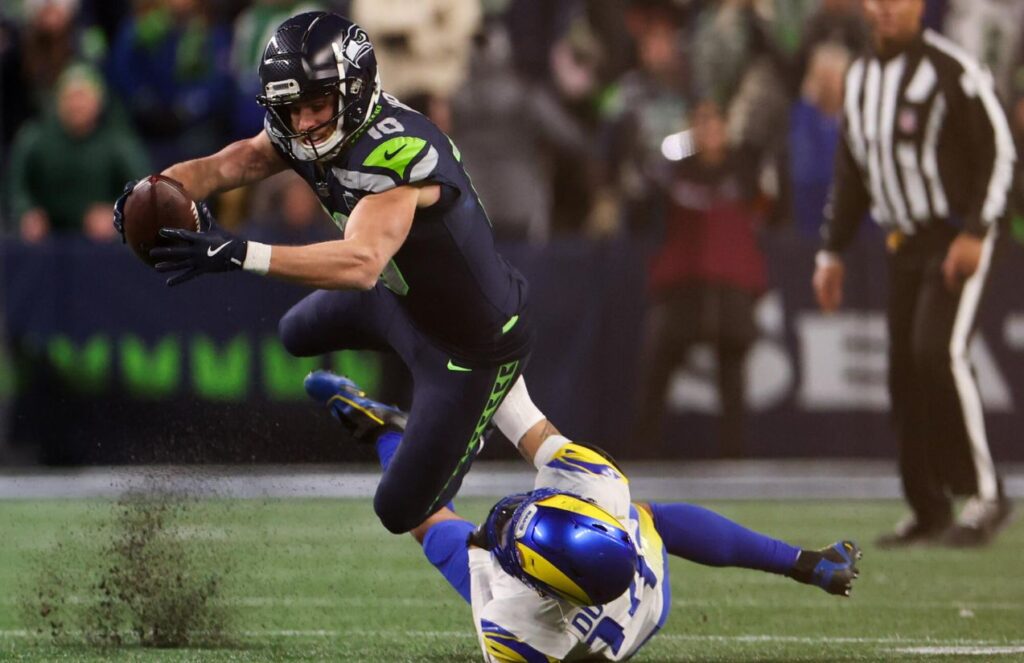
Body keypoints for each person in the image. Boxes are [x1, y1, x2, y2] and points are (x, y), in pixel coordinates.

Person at [112, 12, 533, 534]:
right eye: (292, 109)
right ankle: (410, 421)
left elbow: (360, 263)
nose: (305, 122)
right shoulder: (306, 127)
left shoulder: (396, 154)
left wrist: (240, 253)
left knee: (400, 511)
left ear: (354, 91)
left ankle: (421, 435)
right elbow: (232, 163)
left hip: (471, 345)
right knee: (295, 332)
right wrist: (153, 190)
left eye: (316, 105)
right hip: (403, 299)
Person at [304, 369, 862, 662]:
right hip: (638, 589)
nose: (505, 517)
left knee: (428, 523)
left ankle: (384, 433)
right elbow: (514, 405)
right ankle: (804, 563)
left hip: (603, 630)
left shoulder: (514, 621)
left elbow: (512, 402)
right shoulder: (600, 490)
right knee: (647, 515)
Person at [812, 0, 1016, 548]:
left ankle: (987, 493)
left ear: (920, 6)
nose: (884, 9)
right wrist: (831, 252)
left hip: (953, 237)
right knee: (904, 370)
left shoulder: (954, 70)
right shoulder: (858, 78)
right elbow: (852, 171)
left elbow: (999, 152)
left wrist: (977, 229)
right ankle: (928, 506)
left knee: (937, 351)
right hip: (901, 243)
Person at [633, 101, 770, 459]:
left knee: (732, 376)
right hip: (683, 286)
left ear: (726, 129)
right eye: (702, 123)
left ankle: (734, 459)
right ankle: (641, 457)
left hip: (731, 287)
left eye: (715, 123)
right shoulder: (674, 174)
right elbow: (643, 212)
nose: (709, 132)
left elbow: (770, 208)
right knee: (656, 372)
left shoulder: (744, 171)